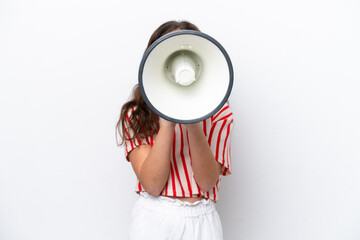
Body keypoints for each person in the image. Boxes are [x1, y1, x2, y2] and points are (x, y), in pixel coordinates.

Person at [116, 20, 234, 240]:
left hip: (202, 221)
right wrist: (167, 120)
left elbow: (207, 182)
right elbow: (152, 184)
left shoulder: (220, 113)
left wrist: (193, 123)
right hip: (154, 219)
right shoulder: (136, 115)